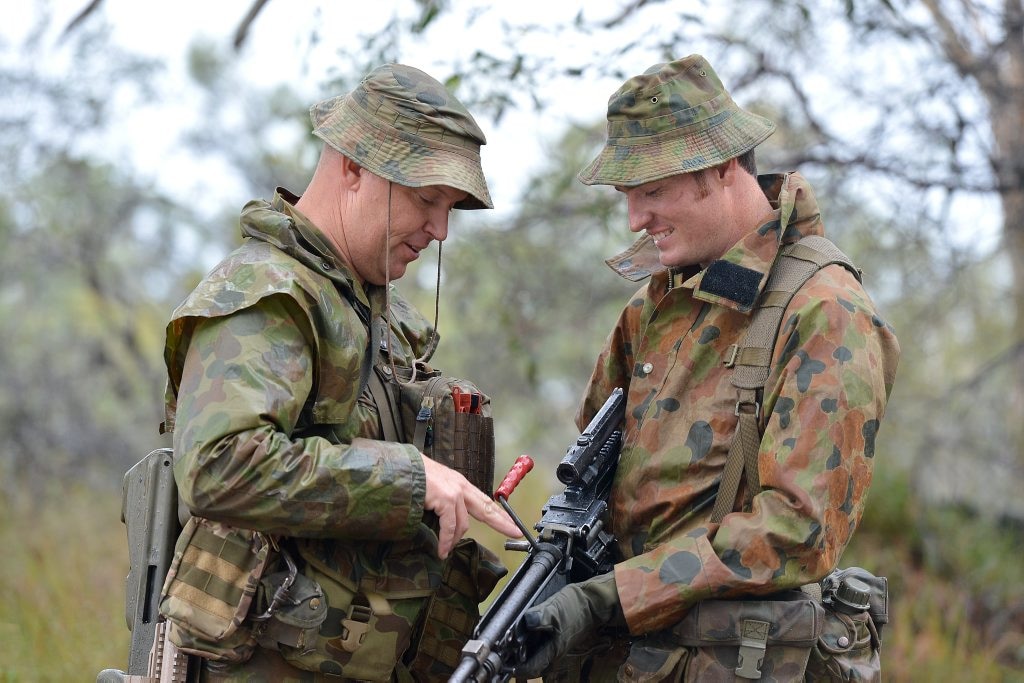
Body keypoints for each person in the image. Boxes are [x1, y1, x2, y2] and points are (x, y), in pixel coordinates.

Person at [516, 55, 901, 680]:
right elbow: (594, 479)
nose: (636, 219)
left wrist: (610, 598)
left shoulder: (824, 310)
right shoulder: (653, 307)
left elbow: (799, 530)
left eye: (653, 192)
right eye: (628, 197)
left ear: (720, 169)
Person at [160, 63, 521, 681]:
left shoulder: (374, 312)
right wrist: (414, 480)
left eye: (451, 207)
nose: (439, 230)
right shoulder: (267, 292)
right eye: (427, 199)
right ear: (354, 168)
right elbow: (218, 466)